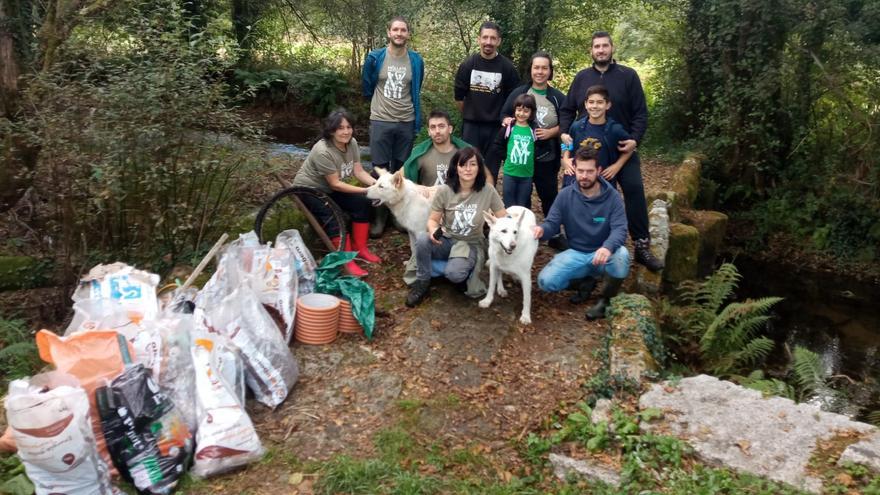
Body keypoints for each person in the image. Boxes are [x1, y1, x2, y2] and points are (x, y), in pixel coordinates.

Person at [558, 31, 664, 272]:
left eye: (605, 46)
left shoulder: (628, 76)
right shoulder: (582, 77)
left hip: (621, 149)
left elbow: (640, 114)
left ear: (612, 48)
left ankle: (641, 243)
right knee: (581, 192)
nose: (601, 50)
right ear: (591, 50)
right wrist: (565, 135)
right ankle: (579, 242)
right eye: (597, 46)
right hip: (588, 152)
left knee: (635, 189)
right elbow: (567, 110)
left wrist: (635, 140)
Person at [533, 146, 631, 320]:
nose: (584, 176)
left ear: (598, 171)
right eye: (580, 171)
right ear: (574, 170)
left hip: (603, 254)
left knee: (622, 255)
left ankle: (605, 301)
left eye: (589, 171)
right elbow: (552, 223)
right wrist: (541, 230)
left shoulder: (613, 197)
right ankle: (585, 283)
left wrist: (607, 247)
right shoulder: (565, 195)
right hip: (577, 252)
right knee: (545, 282)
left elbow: (620, 229)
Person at [406, 147, 507, 307]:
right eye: (463, 164)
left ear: (479, 167)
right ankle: (423, 282)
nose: (468, 169)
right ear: (456, 167)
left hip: (470, 243)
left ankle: (458, 271)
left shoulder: (488, 191)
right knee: (422, 240)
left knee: (454, 274)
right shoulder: (445, 190)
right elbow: (433, 220)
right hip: (447, 239)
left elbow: (504, 217)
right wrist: (433, 230)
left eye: (472, 164)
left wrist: (519, 228)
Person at [292, 109, 379, 277]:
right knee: (334, 217)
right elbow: (336, 184)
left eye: (348, 127)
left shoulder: (352, 143)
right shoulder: (323, 150)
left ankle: (360, 248)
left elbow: (359, 172)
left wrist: (379, 185)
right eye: (340, 128)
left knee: (362, 203)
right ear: (331, 130)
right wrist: (366, 190)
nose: (346, 131)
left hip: (330, 188)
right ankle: (346, 261)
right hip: (310, 189)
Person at [362, 16, 425, 235]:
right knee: (379, 169)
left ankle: (398, 216)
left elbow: (416, 88)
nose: (399, 33)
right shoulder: (375, 57)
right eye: (395, 30)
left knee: (400, 170)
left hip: (406, 120)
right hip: (381, 119)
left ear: (408, 34)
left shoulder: (416, 60)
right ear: (389, 32)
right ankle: (379, 219)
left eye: (403, 30)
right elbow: (367, 85)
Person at [499, 51, 566, 217]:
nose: (540, 72)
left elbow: (568, 124)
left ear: (550, 71)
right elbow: (504, 114)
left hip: (546, 155)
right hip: (520, 157)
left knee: (549, 195)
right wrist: (507, 121)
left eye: (544, 68)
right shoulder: (520, 93)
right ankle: (520, 232)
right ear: (531, 69)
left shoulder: (558, 97)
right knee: (521, 199)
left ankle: (554, 233)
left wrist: (552, 132)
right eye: (536, 67)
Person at [454, 21, 520, 181]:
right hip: (471, 127)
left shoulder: (507, 68)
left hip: (496, 128)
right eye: (485, 37)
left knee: (490, 172)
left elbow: (514, 99)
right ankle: (468, 204)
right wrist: (471, 114)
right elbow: (459, 97)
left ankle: (488, 205)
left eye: (492, 38)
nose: (488, 42)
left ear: (499, 41)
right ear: (479, 39)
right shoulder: (468, 65)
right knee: (468, 169)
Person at [561, 85, 633, 189]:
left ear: (608, 105)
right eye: (591, 102)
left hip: (603, 181)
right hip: (576, 180)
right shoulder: (576, 127)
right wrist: (566, 158)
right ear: (585, 104)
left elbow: (630, 148)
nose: (594, 106)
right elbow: (567, 143)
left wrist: (617, 166)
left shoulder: (615, 130)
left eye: (600, 102)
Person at [402, 110, 471, 187]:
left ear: (450, 129)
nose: (437, 131)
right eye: (433, 127)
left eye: (441, 126)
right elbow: (400, 180)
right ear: (429, 131)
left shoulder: (465, 153)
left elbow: (484, 179)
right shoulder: (419, 154)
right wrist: (419, 189)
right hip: (429, 198)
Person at [492, 93, 537, 208]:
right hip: (510, 173)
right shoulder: (509, 127)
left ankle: (521, 226)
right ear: (514, 109)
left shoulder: (534, 129)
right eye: (519, 110)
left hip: (526, 175)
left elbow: (539, 147)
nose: (521, 114)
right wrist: (507, 157)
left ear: (532, 112)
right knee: (509, 205)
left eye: (526, 111)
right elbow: (497, 145)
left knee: (522, 205)